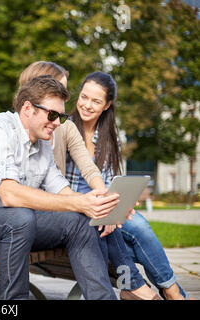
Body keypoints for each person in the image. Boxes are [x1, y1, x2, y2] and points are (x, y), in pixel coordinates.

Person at [19, 61, 163, 300]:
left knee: (128, 225)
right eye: (58, 92)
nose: (64, 101)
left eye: (64, 94)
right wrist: (95, 205)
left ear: (107, 106)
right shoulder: (24, 130)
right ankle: (136, 287)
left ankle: (156, 288)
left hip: (65, 208)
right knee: (104, 223)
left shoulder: (64, 127)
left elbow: (88, 169)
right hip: (40, 215)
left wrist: (105, 202)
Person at [0, 75, 121, 300]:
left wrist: (96, 205)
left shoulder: (42, 141)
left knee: (79, 222)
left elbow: (60, 188)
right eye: (52, 115)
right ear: (27, 108)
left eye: (61, 117)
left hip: (22, 226)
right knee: (20, 217)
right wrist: (78, 202)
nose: (57, 123)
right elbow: (9, 194)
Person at [66, 70, 190, 300]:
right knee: (127, 237)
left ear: (107, 105)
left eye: (96, 101)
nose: (87, 105)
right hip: (77, 208)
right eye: (84, 97)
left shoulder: (109, 137)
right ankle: (167, 292)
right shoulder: (64, 128)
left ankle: (162, 291)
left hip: (105, 204)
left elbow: (113, 181)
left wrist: (117, 205)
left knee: (138, 225)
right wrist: (107, 208)